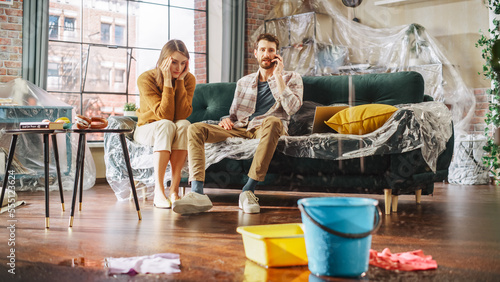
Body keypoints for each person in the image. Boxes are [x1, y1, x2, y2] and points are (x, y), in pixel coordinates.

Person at [172, 33, 303, 214]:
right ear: (255, 53)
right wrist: (226, 119)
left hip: (266, 128)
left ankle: (248, 190)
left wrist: (278, 77)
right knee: (195, 128)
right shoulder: (244, 82)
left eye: (271, 50)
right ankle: (197, 192)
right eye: (262, 50)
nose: (266, 54)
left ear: (277, 55)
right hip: (241, 128)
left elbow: (292, 109)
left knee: (274, 122)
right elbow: (234, 115)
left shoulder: (292, 78)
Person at [134, 39, 195, 209]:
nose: (178, 68)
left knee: (184, 124)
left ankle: (174, 191)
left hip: (171, 127)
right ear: (163, 60)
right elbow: (164, 115)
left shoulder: (188, 79)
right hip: (147, 128)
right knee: (166, 124)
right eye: (174, 62)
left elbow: (182, 114)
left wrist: (180, 82)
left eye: (183, 63)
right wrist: (168, 82)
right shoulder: (146, 78)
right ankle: (159, 192)